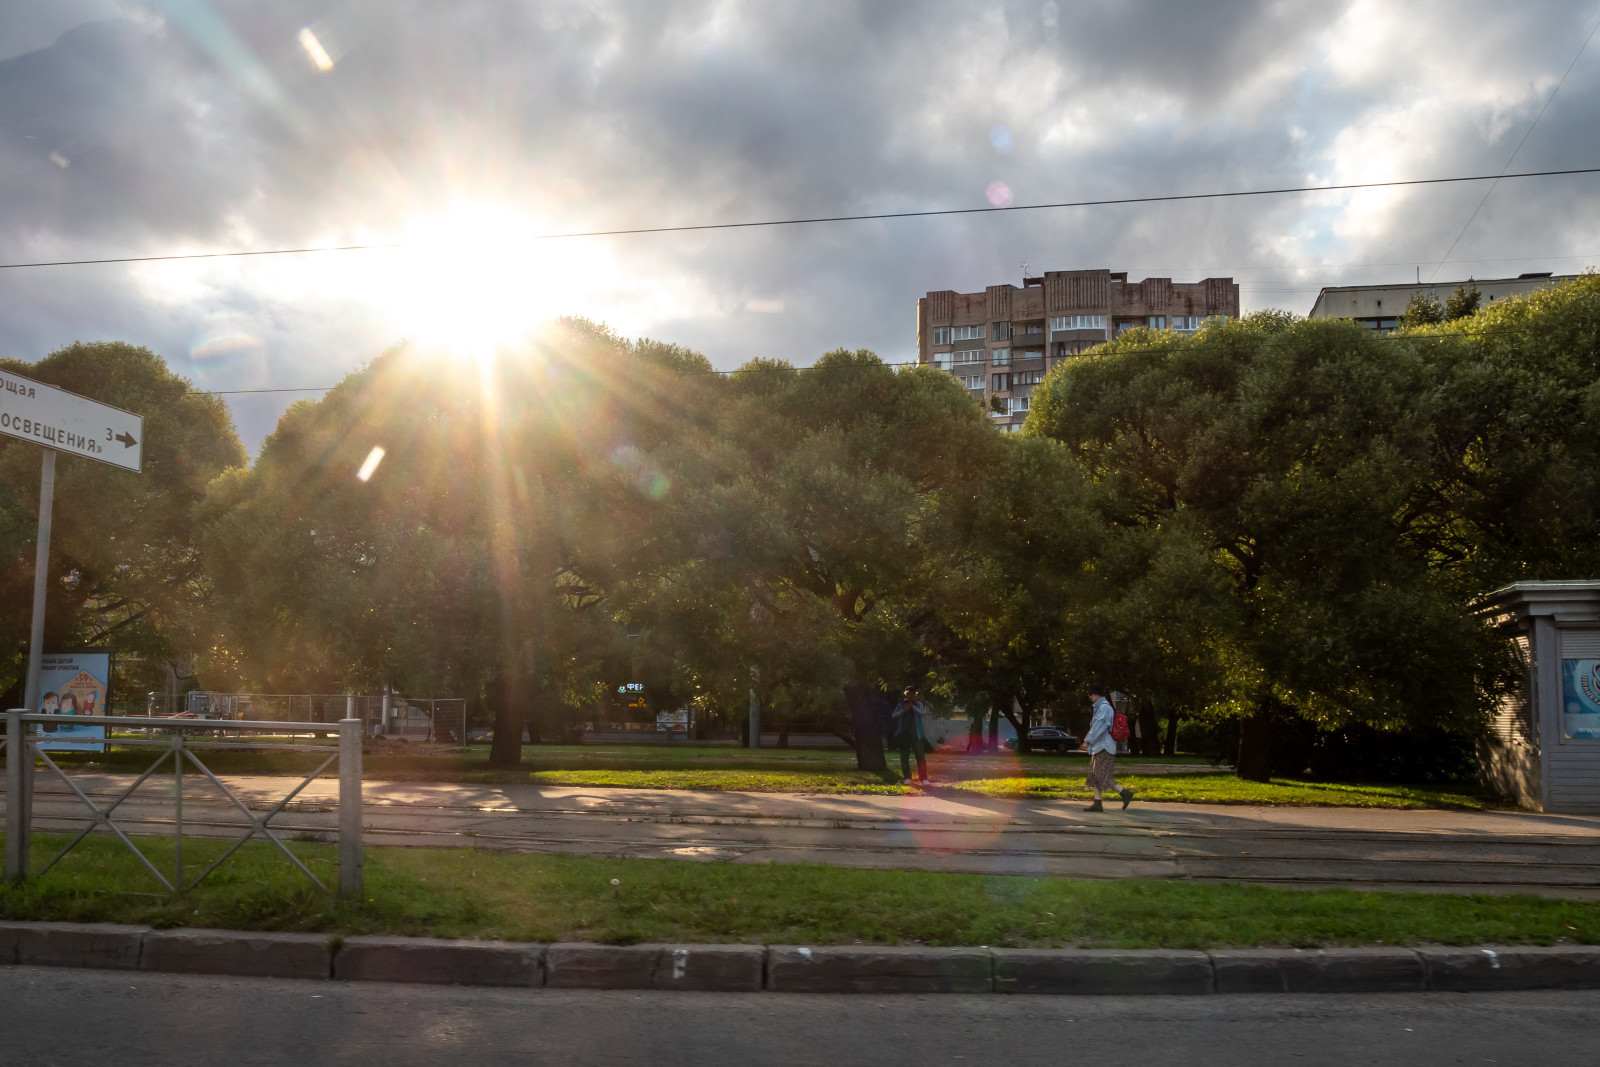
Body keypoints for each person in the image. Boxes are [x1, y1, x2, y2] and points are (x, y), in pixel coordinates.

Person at [1079, 684, 1134, 812]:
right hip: (1098, 747)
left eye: (1090, 695)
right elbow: (1095, 727)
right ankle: (1097, 803)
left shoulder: (1104, 708)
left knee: (1102, 776)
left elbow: (1100, 728)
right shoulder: (1099, 708)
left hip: (1104, 747)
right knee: (1093, 776)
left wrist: (1088, 742)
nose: (1089, 697)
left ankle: (1125, 793)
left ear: (1095, 694)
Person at [891, 687, 930, 785]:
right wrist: (903, 710)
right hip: (903, 734)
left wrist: (911, 706)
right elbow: (893, 716)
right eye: (908, 693)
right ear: (906, 694)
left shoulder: (918, 704)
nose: (911, 695)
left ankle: (923, 778)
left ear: (915, 694)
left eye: (913, 693)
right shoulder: (900, 705)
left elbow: (922, 713)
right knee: (904, 756)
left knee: (920, 756)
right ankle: (907, 777)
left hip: (916, 734)